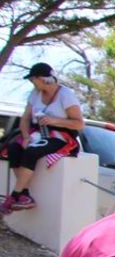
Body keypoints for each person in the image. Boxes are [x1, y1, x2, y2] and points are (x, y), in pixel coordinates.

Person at [1, 62, 84, 213]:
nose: (31, 83)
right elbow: (25, 118)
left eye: (32, 79)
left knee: (32, 151)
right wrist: (26, 137)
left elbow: (79, 123)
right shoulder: (34, 94)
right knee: (13, 148)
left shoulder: (65, 95)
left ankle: (14, 195)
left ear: (42, 79)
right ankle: (24, 194)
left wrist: (54, 120)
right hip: (36, 132)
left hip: (60, 136)